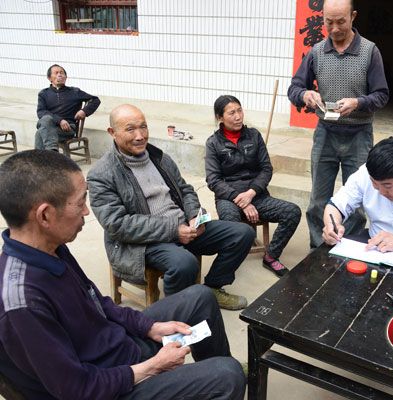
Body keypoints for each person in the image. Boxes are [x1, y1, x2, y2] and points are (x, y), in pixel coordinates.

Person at [0, 150, 245, 400]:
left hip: (117, 347)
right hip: (105, 387)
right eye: (81, 202)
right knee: (228, 375)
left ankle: (207, 374)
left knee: (201, 297)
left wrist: (149, 327)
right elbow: (77, 389)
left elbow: (98, 303)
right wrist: (153, 367)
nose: (87, 212)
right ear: (45, 215)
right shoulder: (22, 304)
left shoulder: (51, 248)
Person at [87, 104, 254, 310]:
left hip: (183, 226)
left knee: (242, 234)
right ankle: (174, 312)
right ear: (112, 132)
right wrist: (173, 230)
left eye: (143, 127)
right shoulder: (102, 174)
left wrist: (193, 215)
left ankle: (212, 287)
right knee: (184, 263)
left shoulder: (159, 158)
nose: (140, 136)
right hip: (143, 242)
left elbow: (185, 189)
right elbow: (118, 225)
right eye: (130, 129)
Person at [287, 0, 389, 249]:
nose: (334, 28)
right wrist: (305, 94)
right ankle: (318, 250)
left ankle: (348, 251)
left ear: (353, 16)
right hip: (325, 133)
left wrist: (358, 102)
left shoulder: (370, 51)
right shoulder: (317, 52)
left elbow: (381, 95)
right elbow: (294, 88)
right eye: (328, 22)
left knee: (356, 201)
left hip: (359, 135)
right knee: (318, 199)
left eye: (341, 21)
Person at [205, 95, 301, 277]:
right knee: (231, 225)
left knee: (292, 212)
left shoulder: (254, 136)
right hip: (228, 198)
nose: (238, 116)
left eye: (239, 110)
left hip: (257, 195)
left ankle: (271, 256)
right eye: (231, 113)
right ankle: (227, 266)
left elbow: (266, 169)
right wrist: (240, 200)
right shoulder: (213, 143)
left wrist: (251, 193)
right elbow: (213, 180)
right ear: (220, 117)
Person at [36, 64, 100, 151]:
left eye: (61, 73)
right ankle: (52, 152)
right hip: (50, 126)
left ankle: (48, 155)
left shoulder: (74, 92)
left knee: (41, 132)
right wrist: (60, 120)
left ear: (66, 77)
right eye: (56, 73)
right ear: (49, 78)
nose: (59, 75)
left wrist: (84, 111)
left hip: (68, 129)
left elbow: (95, 100)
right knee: (45, 120)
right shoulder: (44, 94)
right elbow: (41, 112)